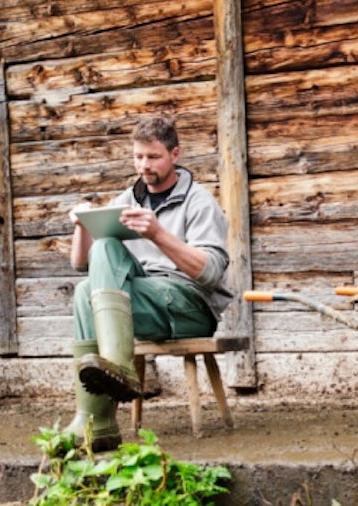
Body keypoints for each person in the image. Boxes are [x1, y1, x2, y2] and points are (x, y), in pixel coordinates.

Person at [60, 116, 232, 451]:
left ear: (175, 154)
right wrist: (82, 225)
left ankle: (118, 367)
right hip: (142, 303)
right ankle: (96, 422)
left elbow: (210, 272)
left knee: (97, 275)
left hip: (189, 305)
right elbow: (81, 263)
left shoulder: (199, 201)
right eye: (138, 157)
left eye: (153, 157)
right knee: (85, 287)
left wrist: (157, 234)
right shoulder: (127, 199)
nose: (144, 165)